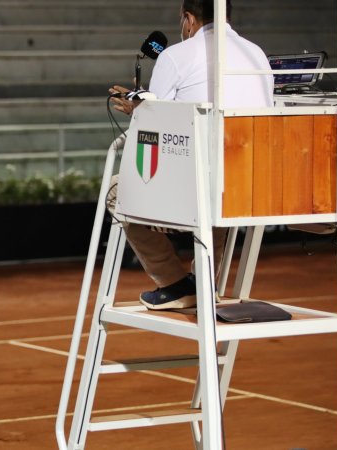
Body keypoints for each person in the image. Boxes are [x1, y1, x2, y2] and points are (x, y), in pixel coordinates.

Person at [107, 0, 274, 310]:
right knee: (221, 188)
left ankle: (174, 283)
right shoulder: (257, 54)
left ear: (188, 19)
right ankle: (203, 281)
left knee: (117, 191)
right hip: (252, 186)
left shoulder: (175, 56)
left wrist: (138, 108)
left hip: (201, 190)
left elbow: (155, 126)